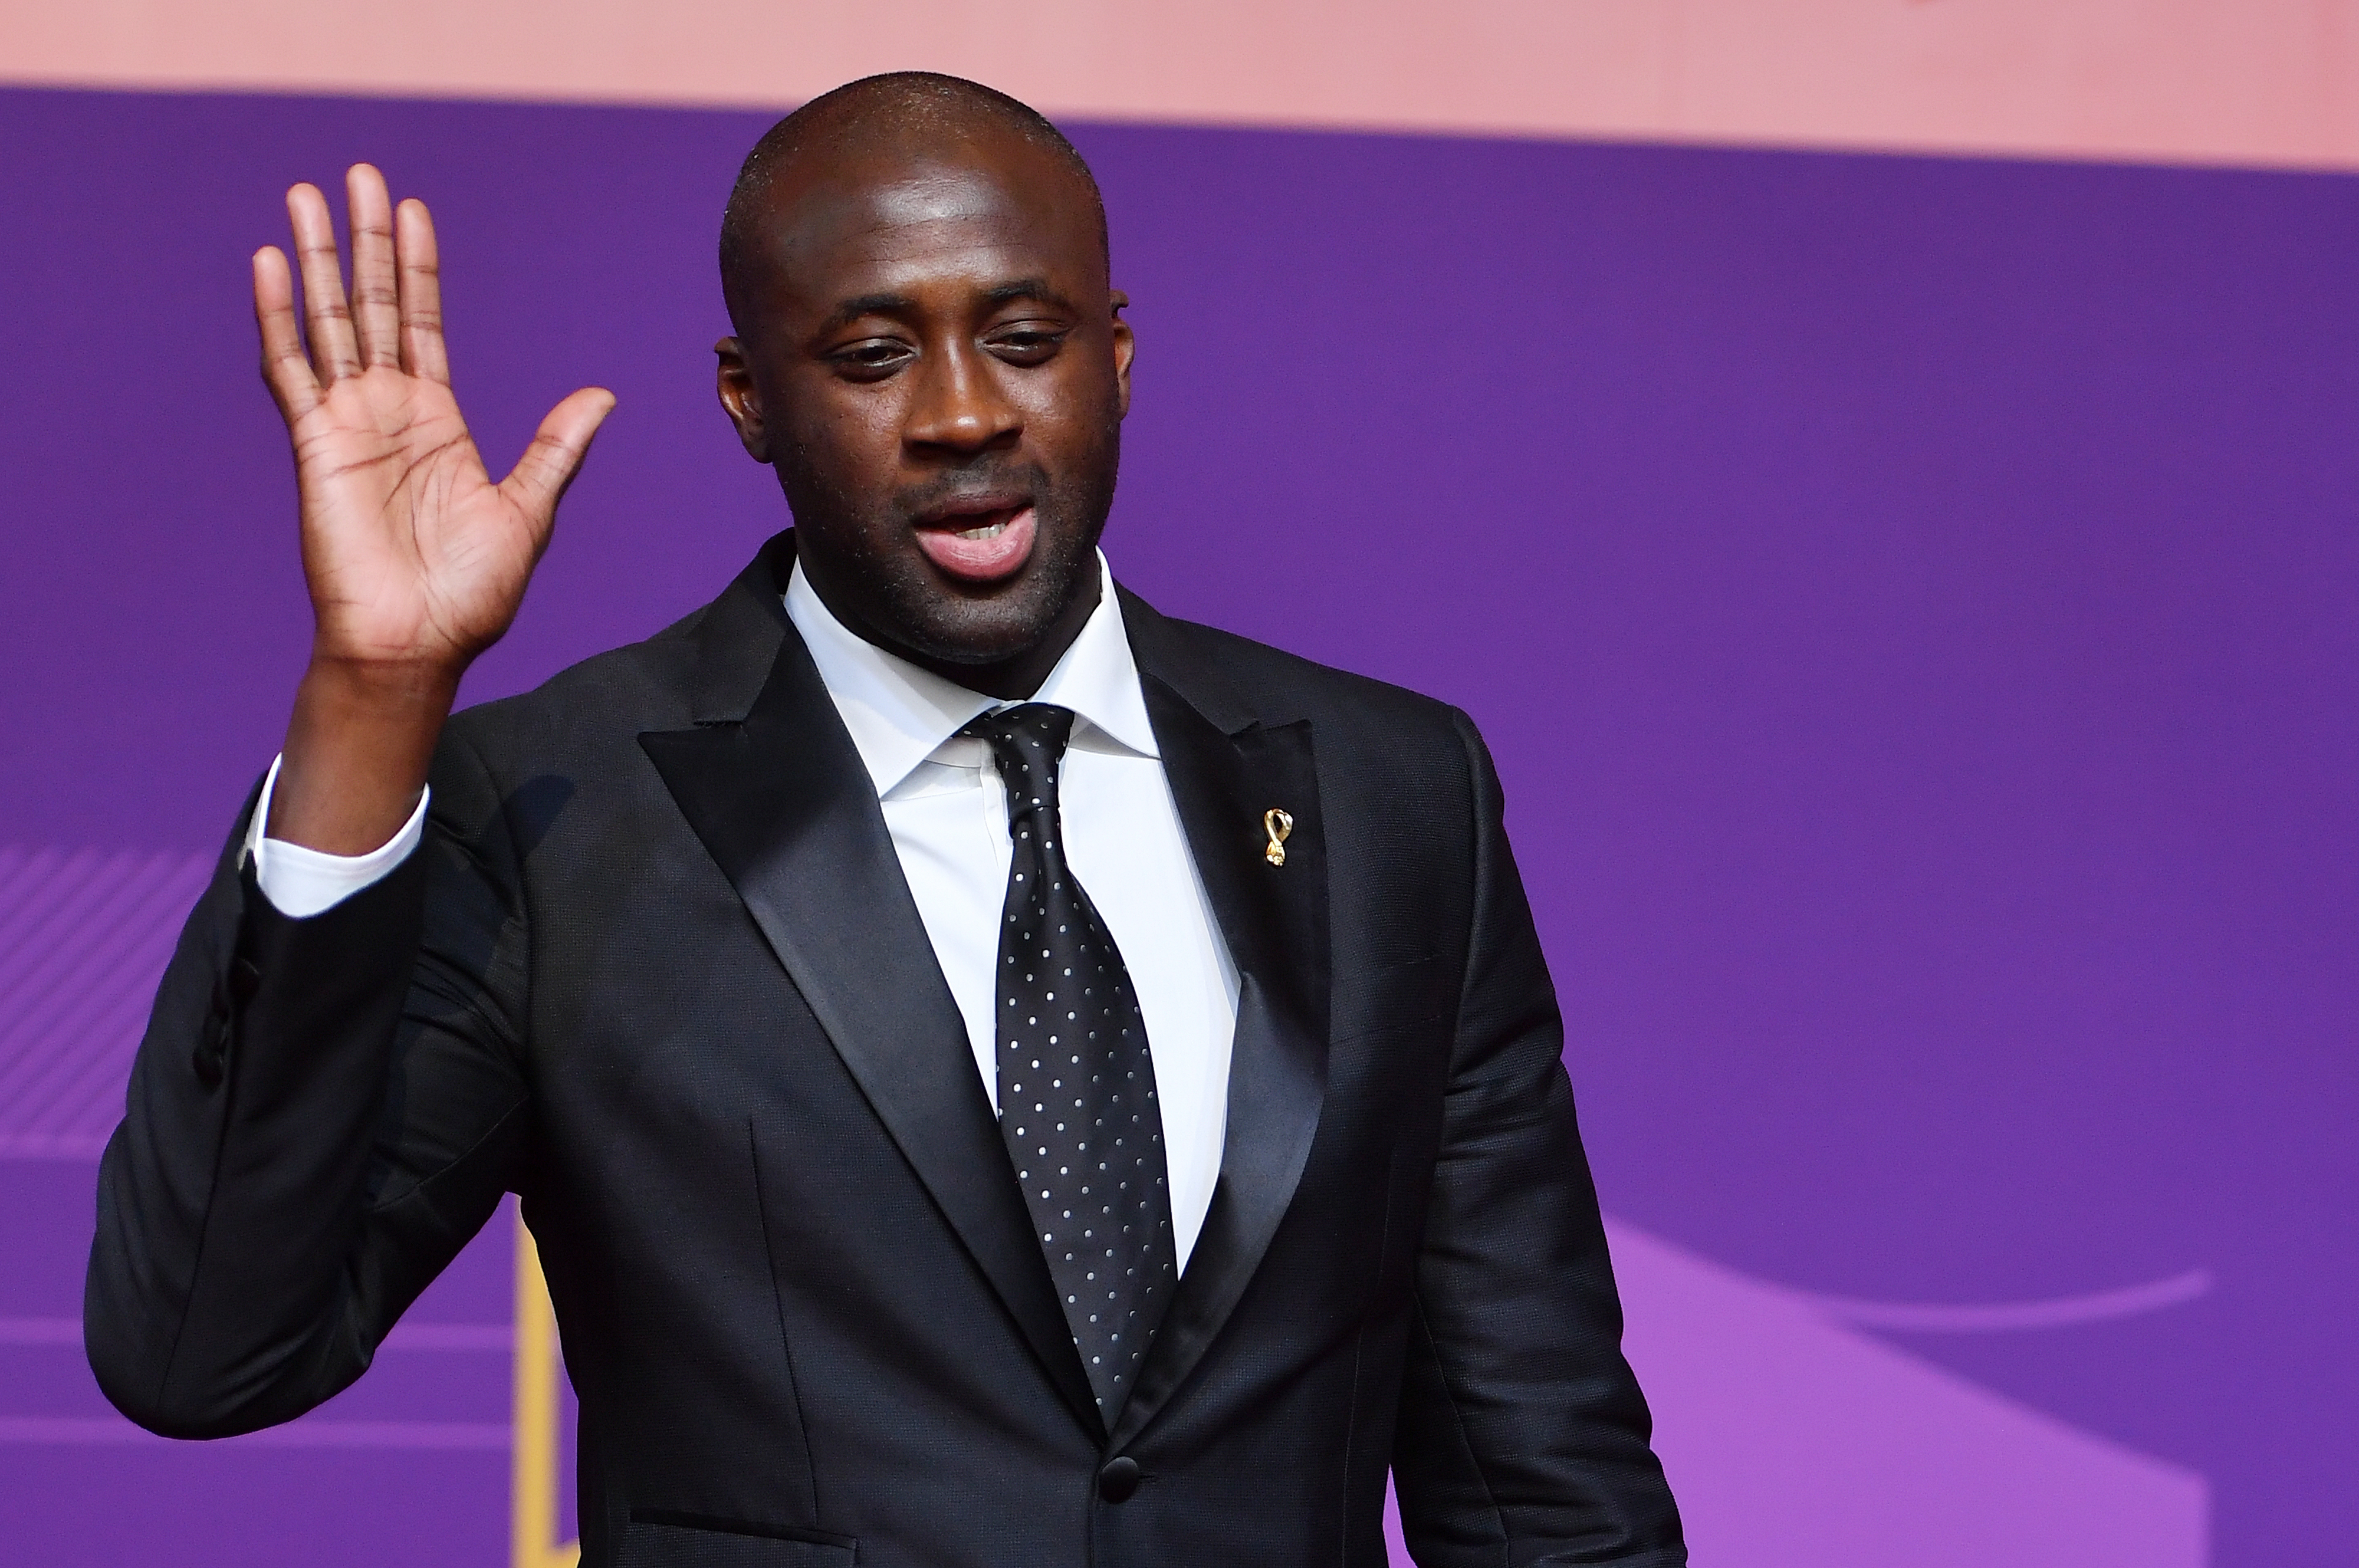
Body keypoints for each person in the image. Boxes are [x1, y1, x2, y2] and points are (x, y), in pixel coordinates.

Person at [83, 73, 1685, 1567]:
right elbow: (205, 1347)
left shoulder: (1392, 792)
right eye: (870, 358)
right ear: (749, 400)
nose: (964, 413)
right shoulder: (561, 811)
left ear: (1118, 357)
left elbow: (1538, 1474)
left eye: (1026, 338)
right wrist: (373, 695)